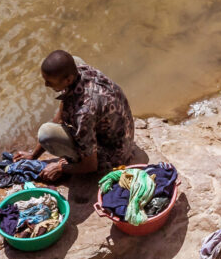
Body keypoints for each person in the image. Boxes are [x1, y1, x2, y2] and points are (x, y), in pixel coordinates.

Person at [13, 50, 135, 180]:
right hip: (125, 134)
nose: (46, 85)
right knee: (74, 59)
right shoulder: (81, 71)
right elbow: (60, 116)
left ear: (68, 80)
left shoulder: (83, 113)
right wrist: (33, 155)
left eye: (49, 82)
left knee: (46, 134)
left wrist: (61, 168)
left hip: (115, 154)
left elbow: (90, 165)